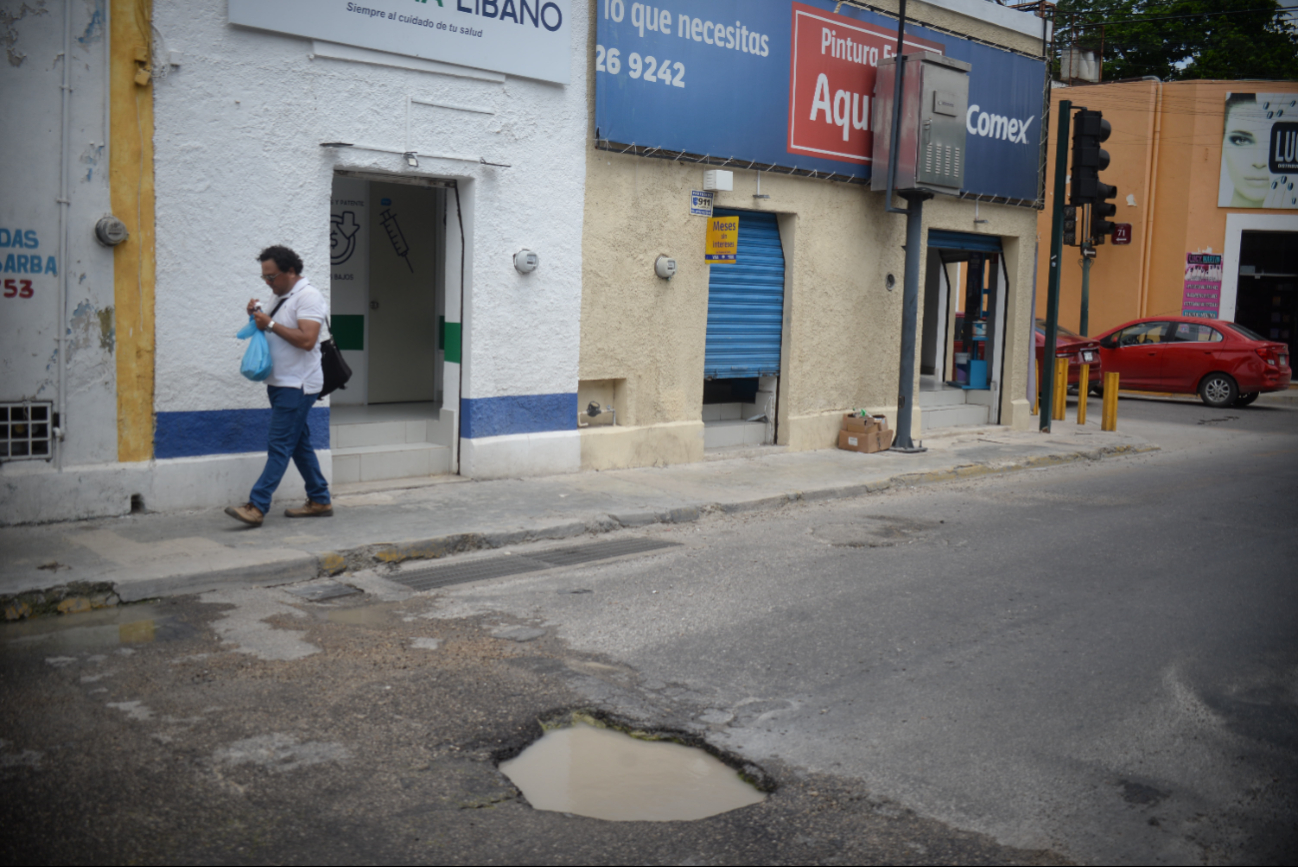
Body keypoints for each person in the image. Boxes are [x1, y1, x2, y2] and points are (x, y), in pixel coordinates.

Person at [225, 245, 333, 526]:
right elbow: (272, 327)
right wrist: (257, 316)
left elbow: (307, 340)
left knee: (280, 444)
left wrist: (270, 323)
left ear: (291, 271)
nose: (268, 283)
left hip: (297, 385)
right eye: (264, 278)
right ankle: (320, 499)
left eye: (272, 277)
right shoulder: (280, 296)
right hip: (280, 383)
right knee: (298, 444)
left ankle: (257, 506)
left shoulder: (308, 297)